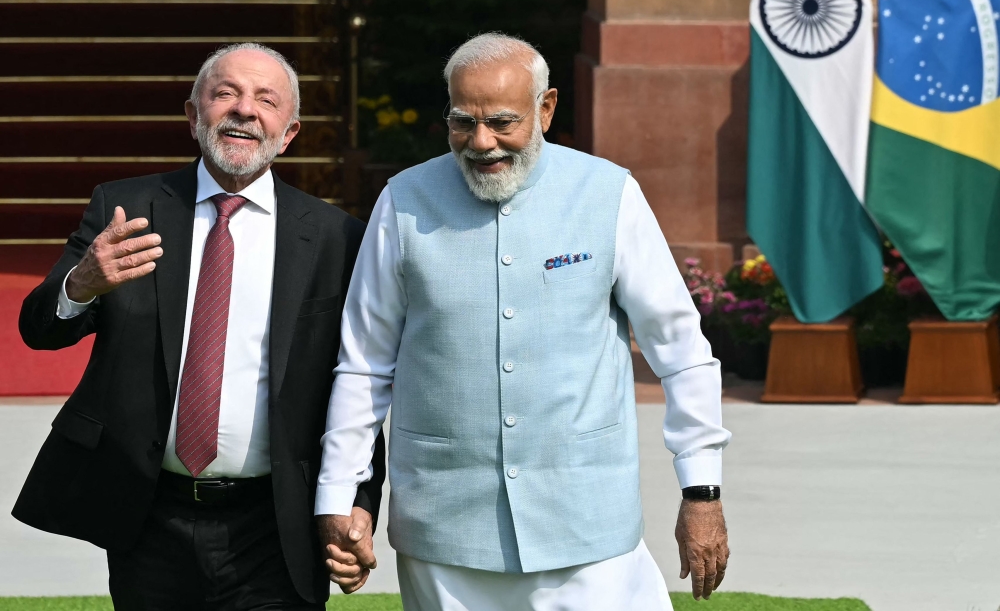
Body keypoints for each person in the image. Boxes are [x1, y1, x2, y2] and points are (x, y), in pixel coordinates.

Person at [315, 32, 732, 610]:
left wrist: (702, 491)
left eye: (503, 122)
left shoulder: (609, 194)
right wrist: (339, 495)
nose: (481, 142)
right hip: (445, 526)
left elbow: (681, 350)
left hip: (588, 523)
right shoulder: (403, 200)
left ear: (547, 108)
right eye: (463, 122)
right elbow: (363, 366)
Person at [13, 42, 385, 610]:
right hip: (149, 517)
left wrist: (358, 500)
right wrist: (80, 284)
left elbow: (355, 380)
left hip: (274, 523)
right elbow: (40, 330)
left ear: (289, 133)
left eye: (266, 99)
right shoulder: (127, 209)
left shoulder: (335, 238)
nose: (245, 110)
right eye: (226, 93)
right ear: (193, 116)